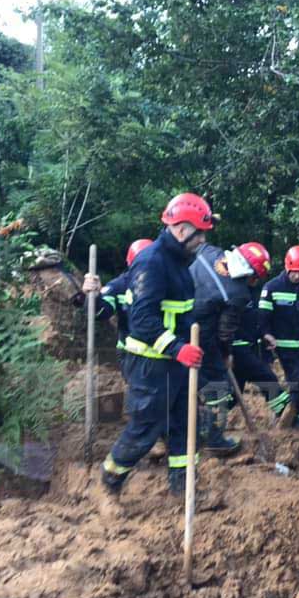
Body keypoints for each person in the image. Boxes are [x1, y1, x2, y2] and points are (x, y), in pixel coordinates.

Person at [86, 193, 211, 498]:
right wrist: (177, 348)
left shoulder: (179, 261)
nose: (203, 239)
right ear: (181, 229)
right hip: (150, 364)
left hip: (173, 363)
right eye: (199, 232)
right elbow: (142, 320)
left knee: (184, 425)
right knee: (146, 429)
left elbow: (179, 313)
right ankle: (109, 482)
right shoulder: (152, 262)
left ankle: (184, 490)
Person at [189, 240, 272, 456]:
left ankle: (182, 431)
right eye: (255, 278)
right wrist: (225, 355)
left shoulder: (210, 251)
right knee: (218, 387)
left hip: (173, 325)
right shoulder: (238, 293)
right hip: (201, 337)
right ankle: (214, 440)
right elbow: (225, 333)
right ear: (250, 274)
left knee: (184, 383)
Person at [259, 245, 299, 430]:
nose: (298, 276)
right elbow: (263, 319)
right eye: (295, 272)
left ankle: (297, 420)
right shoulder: (272, 288)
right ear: (287, 267)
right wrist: (266, 337)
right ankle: (284, 422)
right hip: (287, 349)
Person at [82, 238, 153, 375]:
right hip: (131, 355)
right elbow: (99, 313)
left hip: (164, 356)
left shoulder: (167, 285)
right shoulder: (118, 286)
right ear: (131, 264)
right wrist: (93, 297)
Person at [231, 269, 290, 420]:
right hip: (236, 347)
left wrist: (264, 336)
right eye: (254, 276)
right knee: (267, 378)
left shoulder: (254, 292)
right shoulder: (233, 291)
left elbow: (255, 322)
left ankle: (205, 421)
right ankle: (286, 415)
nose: (257, 279)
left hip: (247, 347)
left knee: (232, 395)